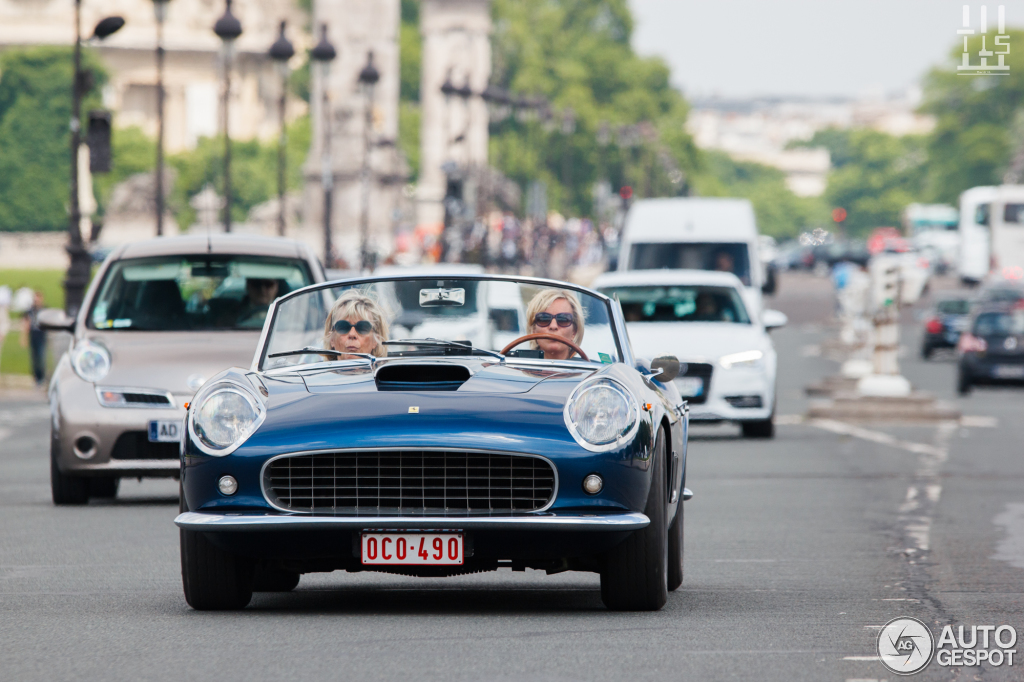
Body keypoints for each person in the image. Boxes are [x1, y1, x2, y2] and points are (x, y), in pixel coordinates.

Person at [322, 290, 389, 360]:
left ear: (375, 341)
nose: (352, 334)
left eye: (362, 328)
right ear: (332, 339)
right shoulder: (316, 370)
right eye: (343, 327)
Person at [525, 288, 585, 360]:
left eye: (563, 319)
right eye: (544, 319)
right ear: (533, 330)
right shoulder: (515, 368)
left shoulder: (591, 369)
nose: (553, 326)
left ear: (574, 331)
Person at [21, 291, 46, 386]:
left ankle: (41, 377)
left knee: (41, 357)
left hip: (41, 336)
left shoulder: (44, 309)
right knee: (34, 358)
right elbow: (25, 323)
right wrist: (24, 337)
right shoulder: (30, 310)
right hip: (33, 336)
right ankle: (36, 377)